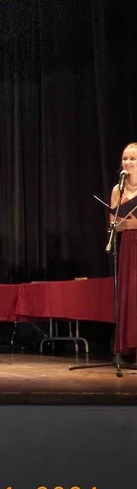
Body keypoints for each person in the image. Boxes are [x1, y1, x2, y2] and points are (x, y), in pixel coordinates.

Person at [112, 142, 137, 356]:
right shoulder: (117, 189)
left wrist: (128, 223)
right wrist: (127, 224)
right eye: (125, 158)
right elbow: (114, 223)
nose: (127, 162)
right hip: (127, 246)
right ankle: (128, 345)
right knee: (129, 293)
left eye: (132, 159)